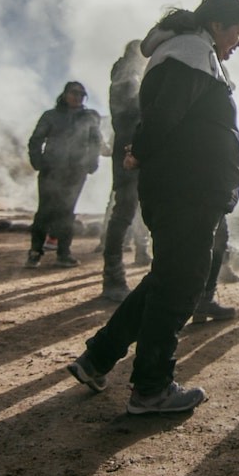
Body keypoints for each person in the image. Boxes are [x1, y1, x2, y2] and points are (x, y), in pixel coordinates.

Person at [66, 0, 239, 414]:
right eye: (238, 32)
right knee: (182, 283)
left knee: (167, 278)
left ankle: (98, 359)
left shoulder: (191, 52)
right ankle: (151, 388)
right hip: (187, 187)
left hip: (184, 185)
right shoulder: (191, 52)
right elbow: (166, 114)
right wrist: (140, 151)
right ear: (217, 24)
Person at [25, 81, 103, 268]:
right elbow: (36, 140)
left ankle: (63, 253)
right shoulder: (51, 115)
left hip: (76, 171)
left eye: (82, 95)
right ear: (65, 94)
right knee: (45, 211)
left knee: (67, 212)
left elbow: (96, 142)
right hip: (51, 170)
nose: (78, 97)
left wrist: (92, 163)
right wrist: (38, 162)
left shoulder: (89, 117)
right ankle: (35, 252)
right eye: (74, 93)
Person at [98, 40, 148, 301]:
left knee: (133, 208)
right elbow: (130, 114)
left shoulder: (129, 76)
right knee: (125, 209)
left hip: (134, 147)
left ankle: (135, 256)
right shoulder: (127, 77)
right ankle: (113, 277)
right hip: (131, 149)